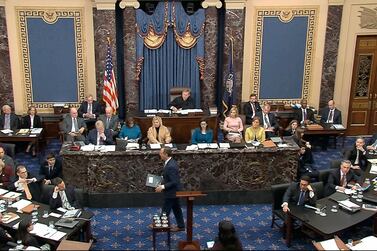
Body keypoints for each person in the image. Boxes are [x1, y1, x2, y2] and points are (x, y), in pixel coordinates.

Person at [155, 147, 185, 232]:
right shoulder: (169, 162)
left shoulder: (171, 166)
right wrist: (161, 179)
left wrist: (162, 187)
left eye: (161, 153)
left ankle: (160, 226)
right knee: (176, 209)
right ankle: (181, 226)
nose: (159, 154)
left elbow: (174, 181)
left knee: (165, 209)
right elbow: (168, 176)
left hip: (171, 192)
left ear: (166, 154)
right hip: (174, 191)